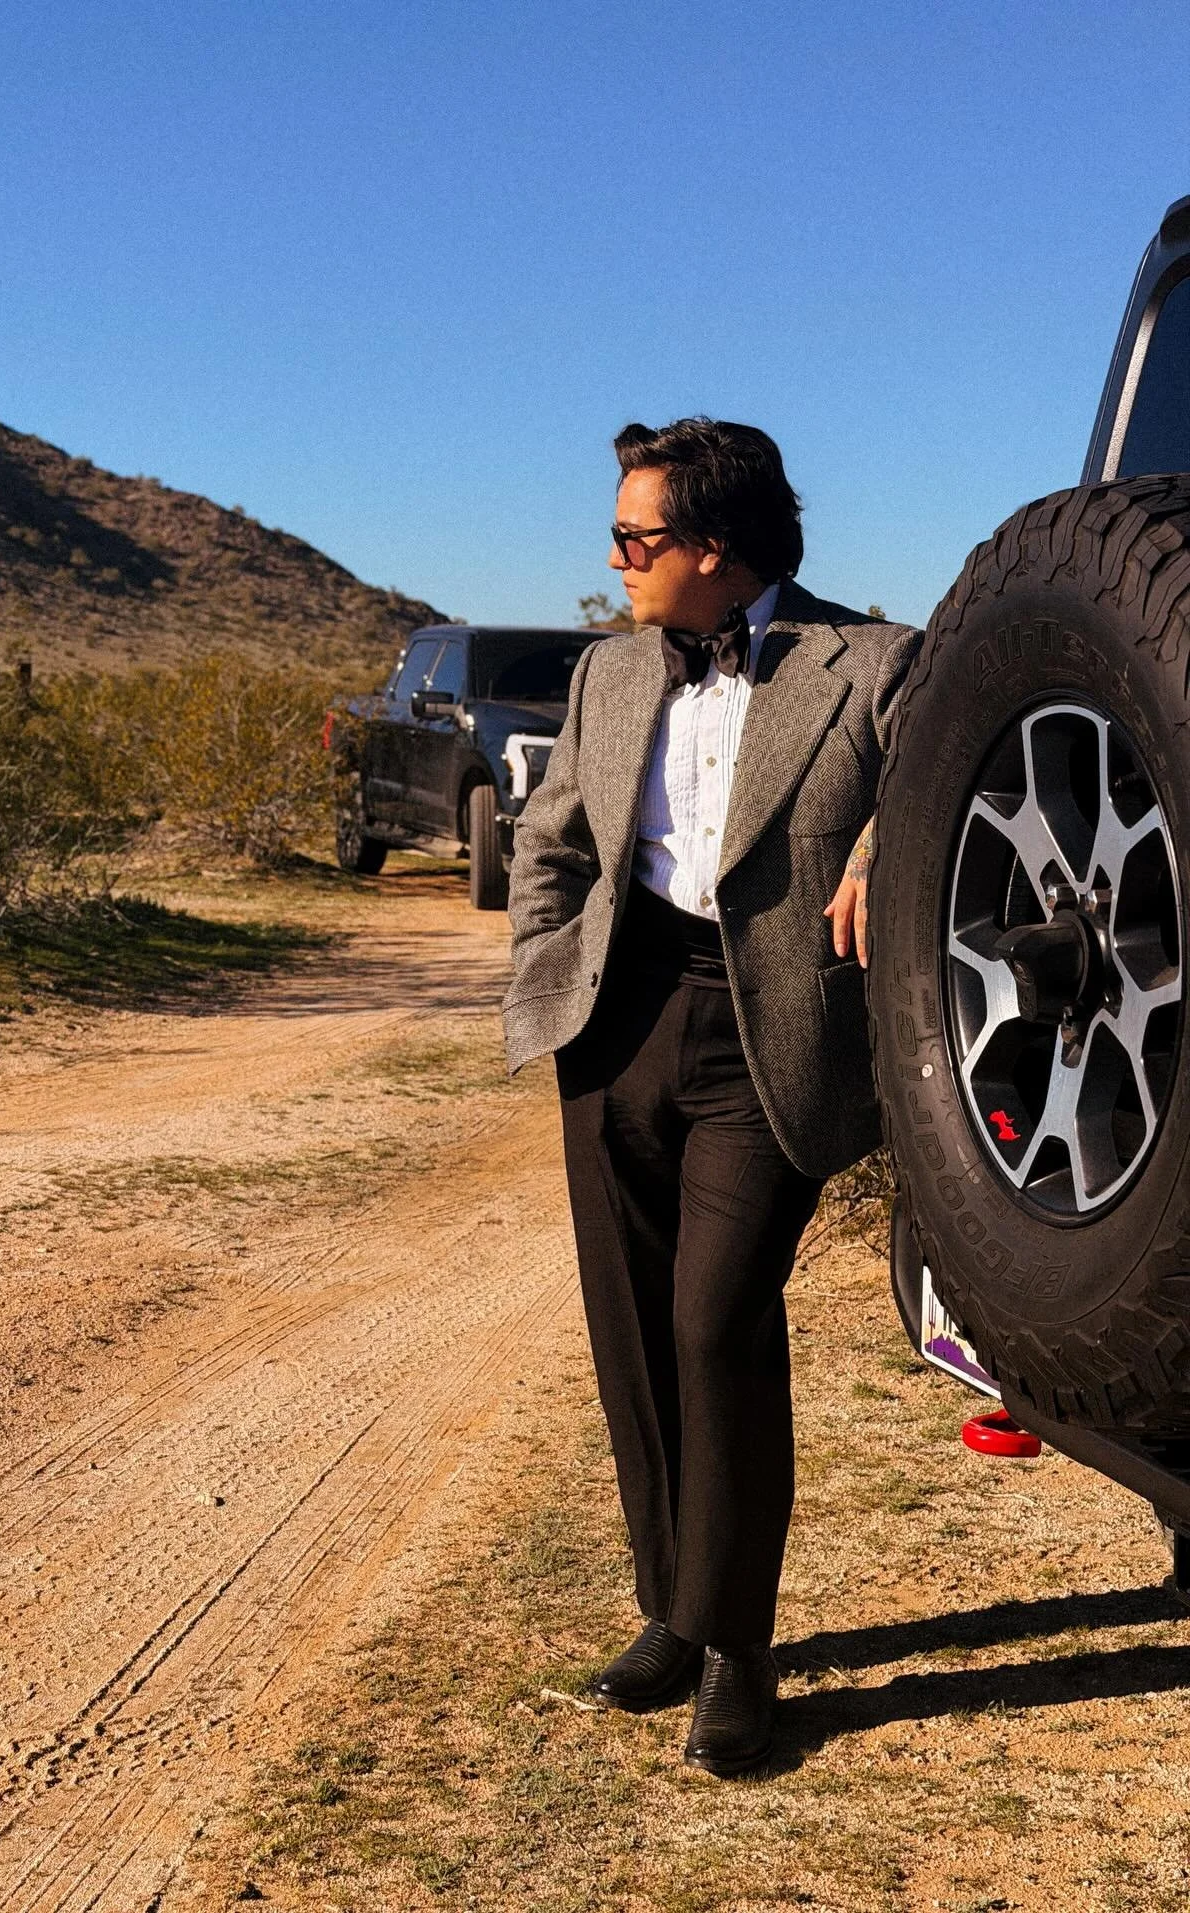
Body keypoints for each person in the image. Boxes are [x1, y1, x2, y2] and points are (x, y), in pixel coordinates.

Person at [503, 417, 920, 1776]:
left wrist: (884, 845)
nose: (613, 559)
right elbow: (555, 831)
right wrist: (546, 968)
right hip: (620, 1017)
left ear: (714, 548)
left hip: (773, 1032)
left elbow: (944, 775)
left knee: (713, 1322)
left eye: (634, 538)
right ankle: (671, 1615)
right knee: (630, 1326)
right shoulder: (608, 673)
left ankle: (742, 1648)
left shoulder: (869, 661)